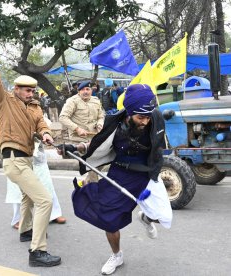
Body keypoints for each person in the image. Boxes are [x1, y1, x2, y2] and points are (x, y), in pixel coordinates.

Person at [61, 84, 171, 274]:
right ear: (129, 113)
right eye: (140, 117)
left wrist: (155, 172)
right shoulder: (114, 124)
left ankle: (146, 217)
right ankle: (117, 255)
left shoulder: (156, 117)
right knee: (109, 219)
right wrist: (74, 148)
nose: (145, 121)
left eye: (148, 116)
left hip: (147, 174)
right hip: (120, 174)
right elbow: (96, 145)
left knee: (165, 217)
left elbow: (159, 148)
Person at [0, 52, 61, 267]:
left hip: (27, 159)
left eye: (33, 91)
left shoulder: (35, 107)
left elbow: (41, 125)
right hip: (14, 159)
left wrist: (46, 134)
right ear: (16, 89)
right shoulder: (5, 100)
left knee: (28, 197)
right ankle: (37, 251)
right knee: (45, 200)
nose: (30, 94)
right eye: (26, 90)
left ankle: (26, 231)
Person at [0, 127, 66, 229]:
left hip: (37, 158)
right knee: (18, 191)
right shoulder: (7, 116)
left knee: (47, 186)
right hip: (17, 158)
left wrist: (45, 133)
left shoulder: (35, 112)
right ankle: (18, 219)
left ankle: (54, 214)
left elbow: (43, 124)